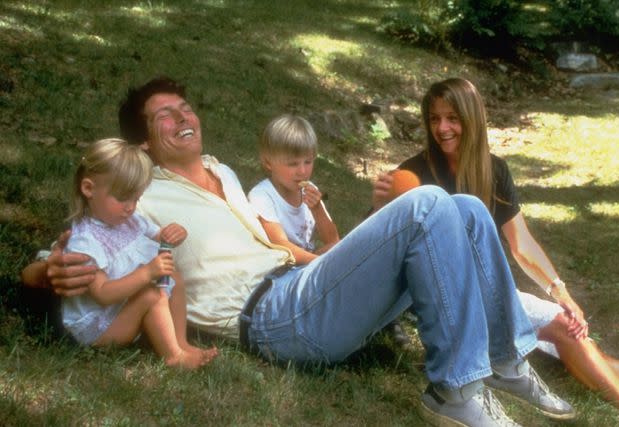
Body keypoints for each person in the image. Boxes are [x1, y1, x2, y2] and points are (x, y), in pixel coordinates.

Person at [41, 77, 577, 426]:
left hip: (300, 287)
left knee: (466, 208)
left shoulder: (223, 173)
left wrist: (322, 258)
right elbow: (66, 250)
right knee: (428, 204)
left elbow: (272, 243)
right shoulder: (141, 193)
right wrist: (45, 270)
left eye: (186, 107)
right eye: (165, 115)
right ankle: (455, 391)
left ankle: (504, 358)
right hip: (271, 318)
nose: (184, 117)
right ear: (141, 143)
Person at [372, 77, 619, 418]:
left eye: (452, 117)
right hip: (447, 301)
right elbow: (382, 253)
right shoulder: (413, 173)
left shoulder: (493, 170)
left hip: (491, 291)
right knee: (564, 330)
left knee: (572, 331)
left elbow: (522, 243)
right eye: (434, 118)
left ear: (472, 119)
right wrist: (381, 207)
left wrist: (560, 290)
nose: (442, 128)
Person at [60, 138, 217, 369]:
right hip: (100, 325)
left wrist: (175, 233)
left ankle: (181, 343)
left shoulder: (128, 220)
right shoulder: (86, 242)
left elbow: (159, 235)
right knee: (152, 295)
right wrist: (146, 273)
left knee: (174, 278)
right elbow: (102, 294)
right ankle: (173, 356)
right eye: (123, 198)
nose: (130, 207)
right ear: (88, 189)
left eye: (136, 198)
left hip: (122, 308)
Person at [248, 114, 339, 265]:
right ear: (268, 162)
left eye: (308, 161)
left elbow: (333, 240)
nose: (302, 171)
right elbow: (281, 246)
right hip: (280, 270)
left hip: (307, 264)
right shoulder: (262, 196)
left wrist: (317, 209)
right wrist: (320, 264)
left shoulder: (309, 190)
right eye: (292, 164)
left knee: (340, 248)